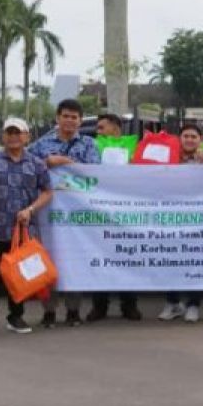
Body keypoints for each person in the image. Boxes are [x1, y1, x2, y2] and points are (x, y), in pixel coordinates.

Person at [0, 117, 53, 338]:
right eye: (10, 132)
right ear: (3, 136)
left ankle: (15, 316)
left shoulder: (36, 164)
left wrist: (31, 209)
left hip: (24, 233)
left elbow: (47, 191)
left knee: (20, 276)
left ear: (27, 136)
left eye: (18, 133)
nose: (14, 137)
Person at [28, 99, 99, 329]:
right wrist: (48, 162)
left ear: (80, 120)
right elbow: (27, 167)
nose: (70, 120)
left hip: (78, 214)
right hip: (49, 214)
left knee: (74, 259)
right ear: (58, 118)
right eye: (66, 116)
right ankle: (49, 312)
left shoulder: (89, 144)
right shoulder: (41, 145)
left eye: (74, 117)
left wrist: (69, 163)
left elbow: (97, 173)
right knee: (49, 259)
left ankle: (73, 311)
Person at [90, 113, 142, 321]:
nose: (98, 131)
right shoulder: (93, 146)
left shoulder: (134, 145)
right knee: (100, 258)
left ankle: (129, 304)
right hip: (101, 209)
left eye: (102, 127)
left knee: (128, 257)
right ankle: (99, 306)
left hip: (128, 210)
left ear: (115, 128)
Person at [160, 124, 203, 323]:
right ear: (179, 138)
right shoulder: (167, 157)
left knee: (195, 261)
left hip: (197, 217)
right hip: (171, 216)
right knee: (169, 260)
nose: (189, 139)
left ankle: (193, 304)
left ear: (200, 139)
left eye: (193, 136)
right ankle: (173, 303)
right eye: (185, 136)